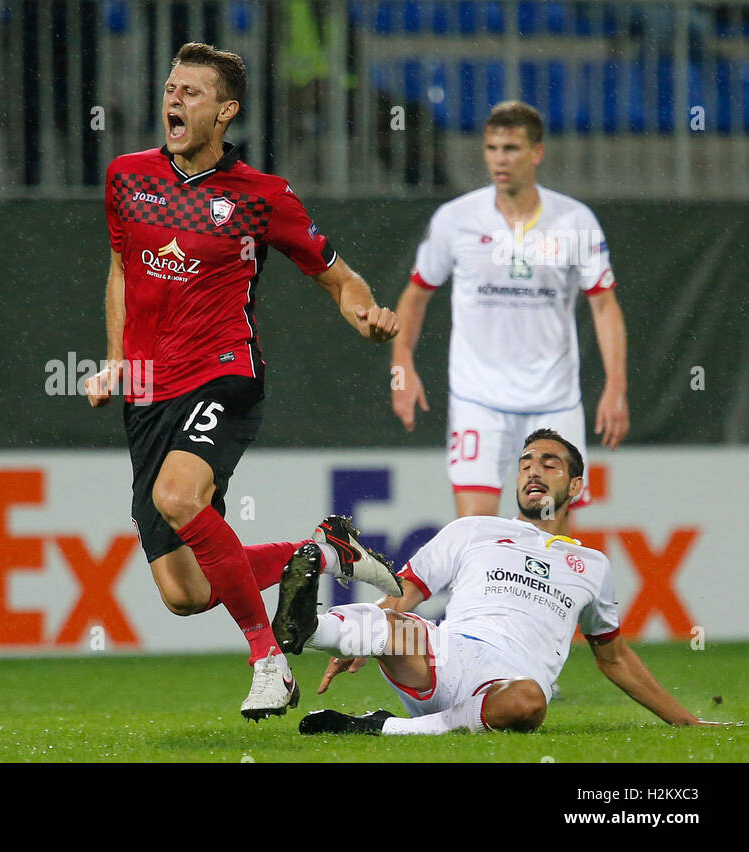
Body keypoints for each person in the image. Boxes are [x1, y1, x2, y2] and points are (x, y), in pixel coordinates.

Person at [87, 43, 402, 720]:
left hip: (223, 374)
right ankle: (320, 553)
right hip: (146, 392)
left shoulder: (262, 198)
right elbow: (121, 268)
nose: (174, 100)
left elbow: (339, 278)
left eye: (192, 92)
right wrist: (116, 359)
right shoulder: (126, 179)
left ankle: (269, 661)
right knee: (184, 592)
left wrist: (365, 316)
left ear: (226, 112)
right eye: (171, 87)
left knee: (178, 495)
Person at [271, 429, 721, 735]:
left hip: (507, 684)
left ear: (576, 485)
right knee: (394, 624)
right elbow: (403, 594)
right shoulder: (474, 528)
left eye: (550, 463)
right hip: (442, 655)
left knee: (529, 702)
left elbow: (615, 658)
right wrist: (358, 642)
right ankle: (311, 628)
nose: (534, 471)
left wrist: (687, 723)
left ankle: (380, 727)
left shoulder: (592, 565)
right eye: (526, 463)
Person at [390, 101, 629, 518]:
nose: (500, 159)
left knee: (550, 536)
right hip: (478, 398)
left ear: (537, 152)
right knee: (474, 532)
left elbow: (604, 307)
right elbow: (415, 295)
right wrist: (402, 366)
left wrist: (616, 387)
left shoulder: (575, 221)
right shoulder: (456, 219)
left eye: (512, 148)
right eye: (492, 148)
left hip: (553, 400)